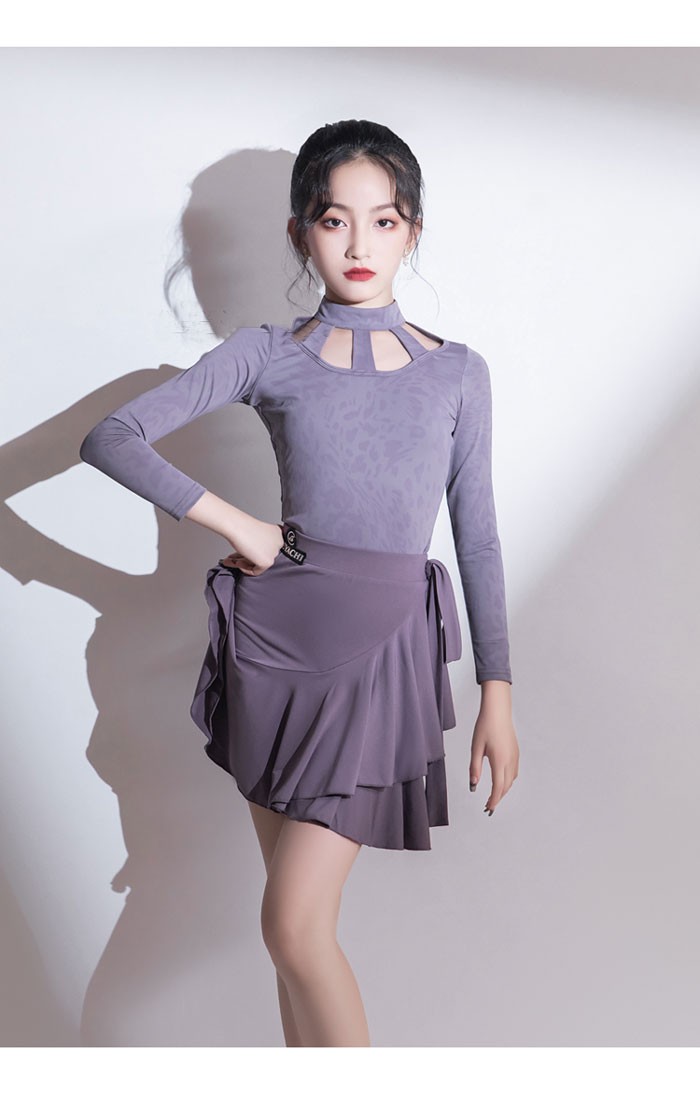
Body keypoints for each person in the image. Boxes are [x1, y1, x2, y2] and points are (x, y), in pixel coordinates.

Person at [79, 118, 520, 1047]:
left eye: (384, 221)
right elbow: (111, 438)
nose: (359, 244)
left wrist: (497, 690)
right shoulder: (265, 353)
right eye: (333, 219)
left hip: (380, 659)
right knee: (294, 942)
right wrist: (237, 524)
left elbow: (476, 538)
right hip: (271, 651)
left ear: (413, 230)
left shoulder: (458, 374)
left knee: (293, 925)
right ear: (299, 232)